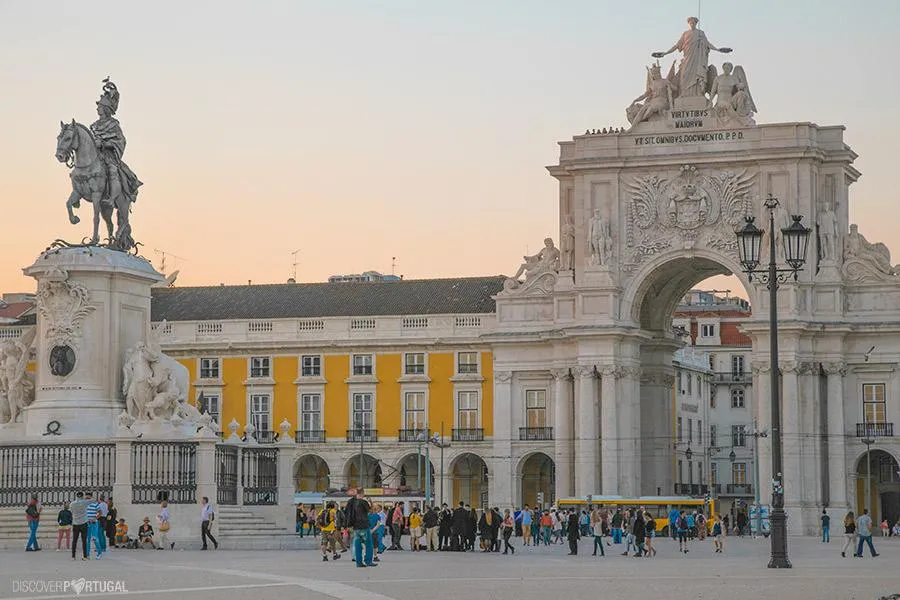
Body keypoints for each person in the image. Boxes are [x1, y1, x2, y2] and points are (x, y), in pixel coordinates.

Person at [346, 489, 377, 568]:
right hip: (364, 526)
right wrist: (371, 502)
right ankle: (368, 561)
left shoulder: (352, 502)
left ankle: (359, 562)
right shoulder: (363, 502)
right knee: (369, 544)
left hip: (356, 527)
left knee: (358, 545)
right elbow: (372, 511)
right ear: (362, 493)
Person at [70, 491, 89, 560]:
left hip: (76, 523)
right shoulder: (85, 503)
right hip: (84, 523)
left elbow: (71, 511)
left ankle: (73, 556)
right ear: (82, 496)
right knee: (84, 541)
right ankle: (85, 556)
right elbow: (93, 501)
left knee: (74, 540)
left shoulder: (72, 504)